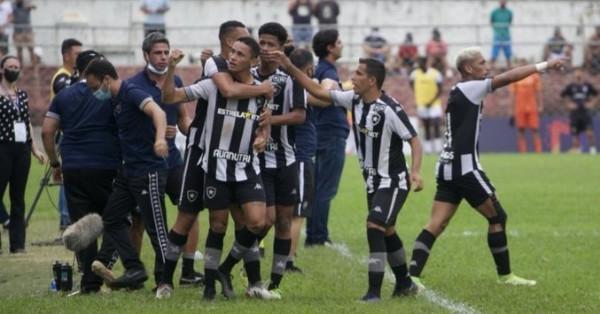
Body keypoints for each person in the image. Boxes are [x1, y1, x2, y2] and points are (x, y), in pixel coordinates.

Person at [268, 50, 425, 301]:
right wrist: (288, 66)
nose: (353, 77)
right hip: (373, 183)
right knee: (387, 230)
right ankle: (405, 282)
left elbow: (415, 141)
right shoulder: (354, 99)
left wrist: (415, 172)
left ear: (372, 80)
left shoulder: (390, 109)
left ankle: (373, 292)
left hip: (393, 182)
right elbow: (318, 91)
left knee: (374, 225)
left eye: (359, 74)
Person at [408, 47, 566, 289]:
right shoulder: (471, 87)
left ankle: (412, 275)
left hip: (447, 165)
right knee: (497, 217)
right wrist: (544, 65)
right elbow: (508, 77)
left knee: (436, 224)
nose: (487, 67)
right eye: (482, 63)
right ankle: (506, 276)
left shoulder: (460, 90)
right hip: (464, 168)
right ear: (469, 69)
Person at [153, 20, 273, 300]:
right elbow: (170, 96)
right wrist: (172, 67)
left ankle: (230, 271)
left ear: (253, 61)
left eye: (240, 53)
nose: (233, 55)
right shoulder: (214, 76)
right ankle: (179, 282)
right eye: (234, 49)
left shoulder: (262, 92)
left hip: (245, 167)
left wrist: (264, 133)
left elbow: (265, 122)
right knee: (210, 223)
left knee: (256, 222)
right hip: (210, 163)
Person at [125, 32, 203, 288]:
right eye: (157, 53)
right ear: (145, 54)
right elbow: (130, 125)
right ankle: (135, 272)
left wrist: (195, 131)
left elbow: (182, 119)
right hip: (146, 163)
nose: (162, 57)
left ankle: (188, 271)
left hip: (173, 161)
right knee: (139, 220)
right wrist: (156, 131)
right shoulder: (134, 84)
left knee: (190, 208)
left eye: (165, 52)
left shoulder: (175, 79)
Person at [85, 58, 169, 290]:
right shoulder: (114, 100)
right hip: (128, 171)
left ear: (106, 80)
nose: (94, 92)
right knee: (112, 218)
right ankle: (135, 268)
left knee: (156, 228)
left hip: (148, 170)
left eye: (94, 87)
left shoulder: (132, 92)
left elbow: (158, 112)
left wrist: (160, 138)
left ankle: (165, 280)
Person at [41, 50, 121, 293]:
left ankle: (90, 283)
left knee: (84, 226)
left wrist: (55, 164)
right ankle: (104, 262)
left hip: (73, 166)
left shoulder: (63, 96)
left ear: (79, 71)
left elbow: (47, 131)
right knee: (116, 219)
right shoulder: (109, 95)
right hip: (105, 165)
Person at [253, 22, 306, 296]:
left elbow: (299, 115)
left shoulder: (290, 78)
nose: (265, 49)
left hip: (285, 160)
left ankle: (274, 284)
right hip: (256, 160)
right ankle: (236, 265)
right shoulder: (245, 75)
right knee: (263, 221)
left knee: (284, 222)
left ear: (282, 47)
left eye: (271, 44)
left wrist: (269, 119)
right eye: (261, 42)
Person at [0, 55, 46, 253]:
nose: (13, 69)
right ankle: (5, 224)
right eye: (10, 66)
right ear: (2, 70)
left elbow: (27, 122)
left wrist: (34, 149)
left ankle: (17, 244)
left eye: (16, 67)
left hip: (22, 149)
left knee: (18, 197)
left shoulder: (22, 95)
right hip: (2, 147)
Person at [306, 28, 345, 247]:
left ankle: (315, 233)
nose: (341, 45)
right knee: (325, 189)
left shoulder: (320, 68)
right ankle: (318, 237)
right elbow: (324, 95)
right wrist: (336, 96)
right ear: (330, 47)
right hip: (331, 134)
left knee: (318, 187)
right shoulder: (328, 71)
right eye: (338, 42)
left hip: (321, 132)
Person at [50, 38, 82, 231]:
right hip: (65, 133)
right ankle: (65, 217)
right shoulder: (62, 77)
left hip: (73, 131)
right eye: (77, 54)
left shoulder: (75, 75)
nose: (80, 57)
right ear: (66, 55)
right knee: (66, 175)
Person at [410, 56, 443, 154]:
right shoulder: (414, 74)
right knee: (426, 125)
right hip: (421, 104)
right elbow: (411, 84)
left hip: (434, 104)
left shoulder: (435, 73)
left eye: (420, 62)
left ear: (425, 62)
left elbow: (440, 89)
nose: (418, 65)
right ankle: (428, 149)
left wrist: (432, 101)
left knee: (436, 124)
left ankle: (438, 148)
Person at [560, 68, 598, 154]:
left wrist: (592, 103)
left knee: (589, 133)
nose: (578, 74)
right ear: (574, 74)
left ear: (583, 73)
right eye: (576, 72)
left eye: (580, 72)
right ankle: (577, 150)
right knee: (575, 134)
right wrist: (568, 104)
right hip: (575, 114)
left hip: (585, 113)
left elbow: (597, 94)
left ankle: (592, 149)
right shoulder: (570, 86)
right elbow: (562, 96)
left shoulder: (587, 86)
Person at [509, 59, 543, 153]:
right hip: (520, 107)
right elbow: (512, 95)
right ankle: (522, 152)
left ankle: (538, 151)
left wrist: (540, 105)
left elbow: (538, 92)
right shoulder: (515, 77)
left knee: (535, 129)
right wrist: (511, 110)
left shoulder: (534, 76)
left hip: (532, 106)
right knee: (521, 129)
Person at [12, 0, 36, 67]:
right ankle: (20, 70)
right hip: (18, 32)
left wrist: (29, 6)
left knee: (31, 51)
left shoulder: (26, 3)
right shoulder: (12, 5)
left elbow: (34, 7)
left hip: (28, 31)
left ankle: (35, 71)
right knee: (19, 52)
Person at [490, 0, 513, 68]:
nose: (503, 2)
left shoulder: (509, 12)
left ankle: (509, 69)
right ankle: (490, 69)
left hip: (506, 35)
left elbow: (510, 21)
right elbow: (491, 21)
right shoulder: (494, 12)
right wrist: (497, 29)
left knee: (508, 54)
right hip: (497, 35)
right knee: (494, 53)